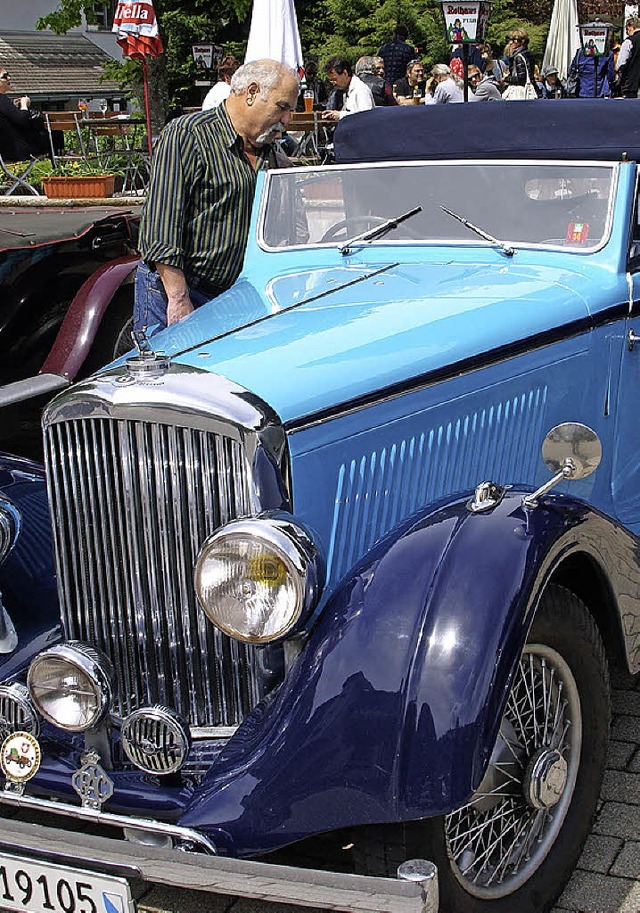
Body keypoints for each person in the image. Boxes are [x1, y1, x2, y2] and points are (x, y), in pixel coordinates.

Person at [135, 59, 299, 333]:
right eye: (282, 107)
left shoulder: (271, 153)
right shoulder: (188, 135)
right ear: (252, 92)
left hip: (239, 296)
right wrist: (178, 298)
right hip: (181, 290)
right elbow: (161, 228)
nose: (286, 120)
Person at [0, 69, 49, 162]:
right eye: (4, 76)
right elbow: (22, 120)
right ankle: (61, 164)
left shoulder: (4, 101)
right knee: (53, 134)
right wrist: (24, 104)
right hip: (16, 148)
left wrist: (13, 107)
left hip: (5, 147)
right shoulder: (2, 99)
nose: (9, 78)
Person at [322, 56, 374, 122]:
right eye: (331, 80)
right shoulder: (345, 89)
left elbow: (366, 117)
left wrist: (340, 115)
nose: (333, 83)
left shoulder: (361, 90)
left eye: (334, 79)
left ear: (345, 73)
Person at [503, 28, 538, 94]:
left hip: (520, 92)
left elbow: (521, 79)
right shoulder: (527, 54)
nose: (511, 42)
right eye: (510, 40)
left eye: (514, 40)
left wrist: (506, 78)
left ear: (522, 41)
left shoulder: (519, 57)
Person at [616, 18, 640, 97]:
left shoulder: (630, 41)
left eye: (627, 29)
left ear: (630, 27)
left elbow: (621, 62)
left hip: (632, 81)